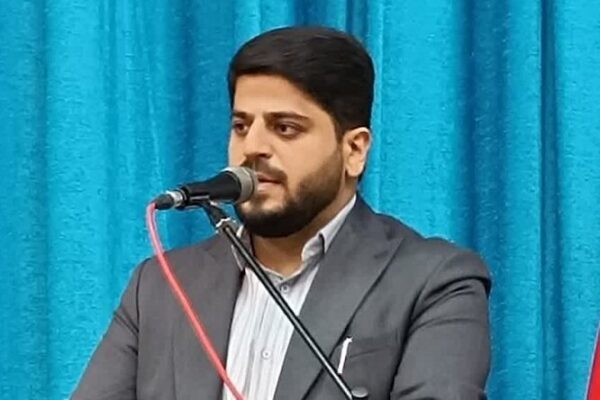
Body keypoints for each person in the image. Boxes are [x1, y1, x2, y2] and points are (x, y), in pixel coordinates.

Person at [73, 26, 491, 400]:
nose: (252, 147)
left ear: (354, 150)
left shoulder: (435, 282)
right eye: (241, 126)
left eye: (284, 127)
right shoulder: (160, 286)